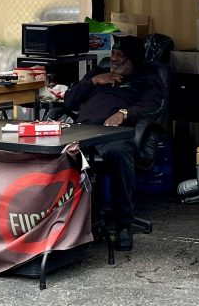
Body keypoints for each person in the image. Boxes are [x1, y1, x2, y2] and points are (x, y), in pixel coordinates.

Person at [63, 34, 165, 251]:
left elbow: (153, 107)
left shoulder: (146, 77)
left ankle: (123, 225)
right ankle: (63, 223)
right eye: (113, 54)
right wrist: (92, 82)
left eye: (121, 55)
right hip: (82, 130)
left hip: (113, 133)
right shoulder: (99, 72)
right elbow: (69, 100)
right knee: (56, 153)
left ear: (133, 59)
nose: (115, 59)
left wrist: (124, 113)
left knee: (118, 154)